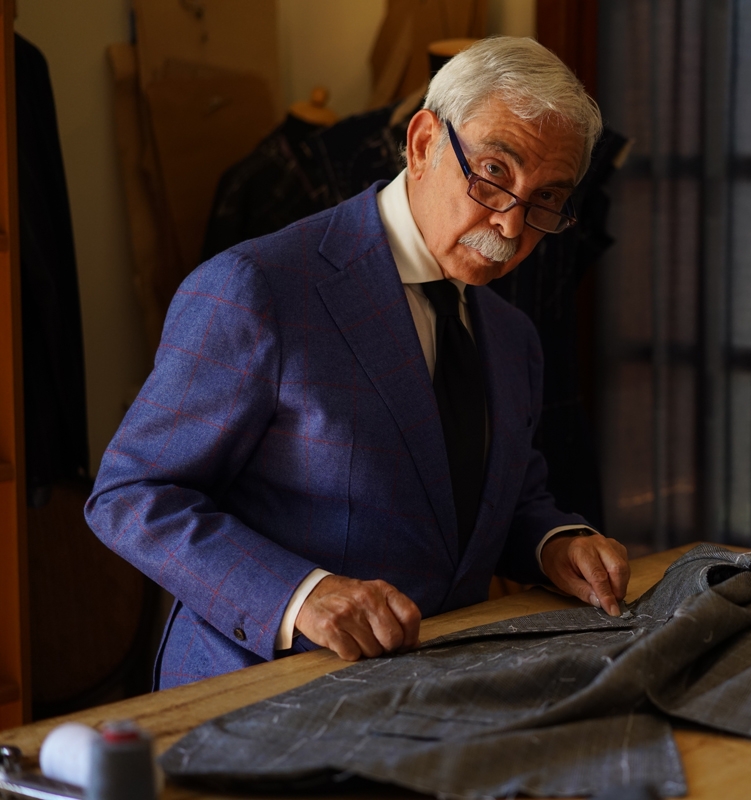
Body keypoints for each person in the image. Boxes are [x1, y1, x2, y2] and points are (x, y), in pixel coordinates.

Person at [85, 37, 629, 689]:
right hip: (255, 696)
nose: (512, 228)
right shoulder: (257, 288)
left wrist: (556, 543)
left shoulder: (512, 334)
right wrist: (300, 595)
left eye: (546, 201)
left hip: (439, 696)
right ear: (424, 142)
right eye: (494, 174)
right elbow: (131, 495)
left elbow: (502, 499)